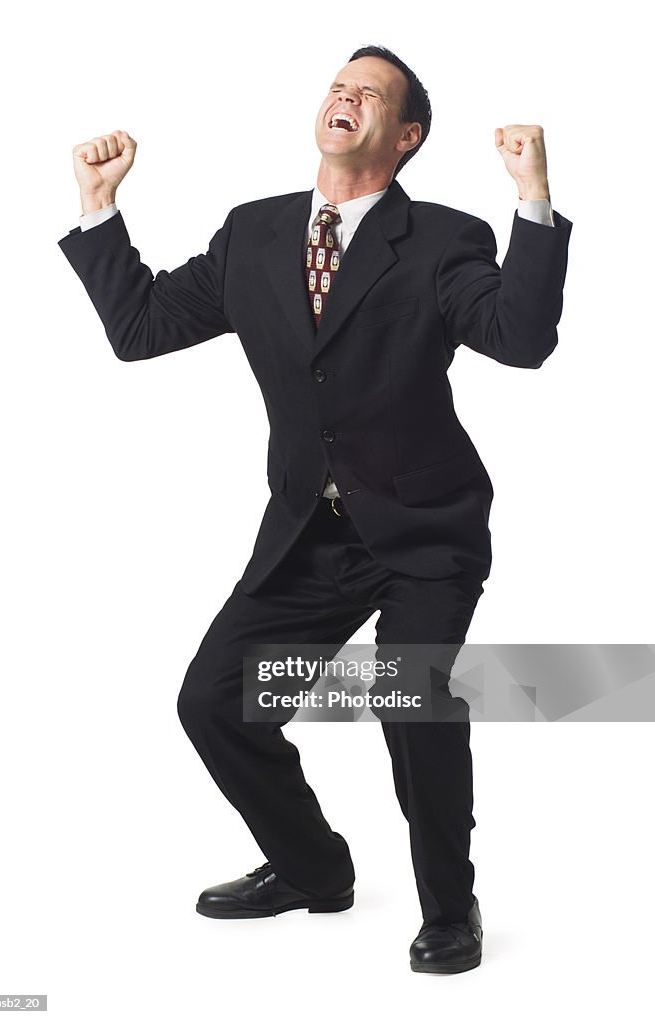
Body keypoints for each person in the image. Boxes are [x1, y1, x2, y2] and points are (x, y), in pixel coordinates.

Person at [58, 45, 573, 974]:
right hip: (312, 532)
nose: (346, 96)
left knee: (406, 700)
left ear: (404, 136)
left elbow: (522, 338)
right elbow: (142, 331)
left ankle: (451, 909)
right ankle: (310, 869)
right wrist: (101, 208)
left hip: (423, 531)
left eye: (370, 94)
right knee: (214, 701)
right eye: (340, 84)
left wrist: (531, 199)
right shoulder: (254, 235)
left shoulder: (446, 240)